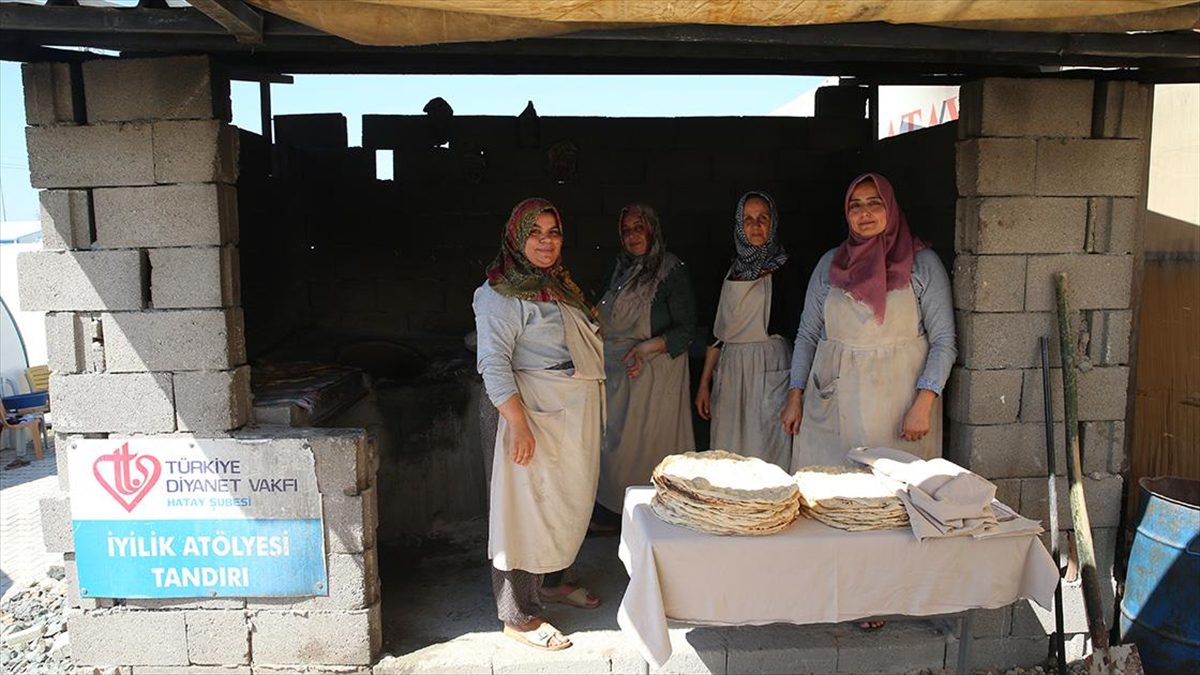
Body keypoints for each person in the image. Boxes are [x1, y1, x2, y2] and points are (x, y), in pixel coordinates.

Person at [472, 197, 606, 651]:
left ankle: (549, 584)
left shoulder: (556, 284)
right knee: (522, 514)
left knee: (558, 505)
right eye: (535, 232)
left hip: (564, 411)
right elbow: (493, 364)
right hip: (528, 414)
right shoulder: (499, 294)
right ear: (516, 237)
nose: (546, 242)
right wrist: (518, 425)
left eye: (554, 232)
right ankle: (519, 615)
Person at [785, 172, 956, 473]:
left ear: (890, 207)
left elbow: (944, 341)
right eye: (855, 205)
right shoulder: (829, 264)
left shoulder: (923, 265)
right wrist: (795, 395)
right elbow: (807, 335)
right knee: (829, 494)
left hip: (899, 408)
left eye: (874, 203)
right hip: (834, 406)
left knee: (890, 499)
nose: (864, 213)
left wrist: (924, 403)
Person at [594, 204, 697, 529]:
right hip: (620, 376)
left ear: (652, 229)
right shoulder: (622, 269)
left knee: (650, 449)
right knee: (616, 448)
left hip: (654, 373)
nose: (632, 235)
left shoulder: (669, 270)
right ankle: (617, 514)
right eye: (626, 230)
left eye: (639, 227)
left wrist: (644, 347)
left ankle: (654, 516)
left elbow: (686, 328)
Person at [695, 191, 800, 471]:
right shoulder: (728, 268)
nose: (755, 226)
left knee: (767, 449)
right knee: (728, 451)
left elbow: (802, 333)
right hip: (731, 369)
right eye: (748, 219)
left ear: (773, 223)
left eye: (762, 218)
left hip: (770, 366)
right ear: (738, 226)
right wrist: (704, 383)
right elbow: (716, 333)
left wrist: (796, 392)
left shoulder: (786, 269)